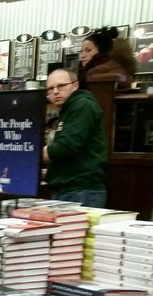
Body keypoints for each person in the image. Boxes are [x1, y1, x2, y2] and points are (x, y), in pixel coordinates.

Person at [43, 68, 108, 207]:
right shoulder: (69, 109)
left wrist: (34, 154)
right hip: (69, 189)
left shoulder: (83, 105)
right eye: (50, 88)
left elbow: (65, 147)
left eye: (61, 86)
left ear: (75, 85)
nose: (55, 91)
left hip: (82, 191)